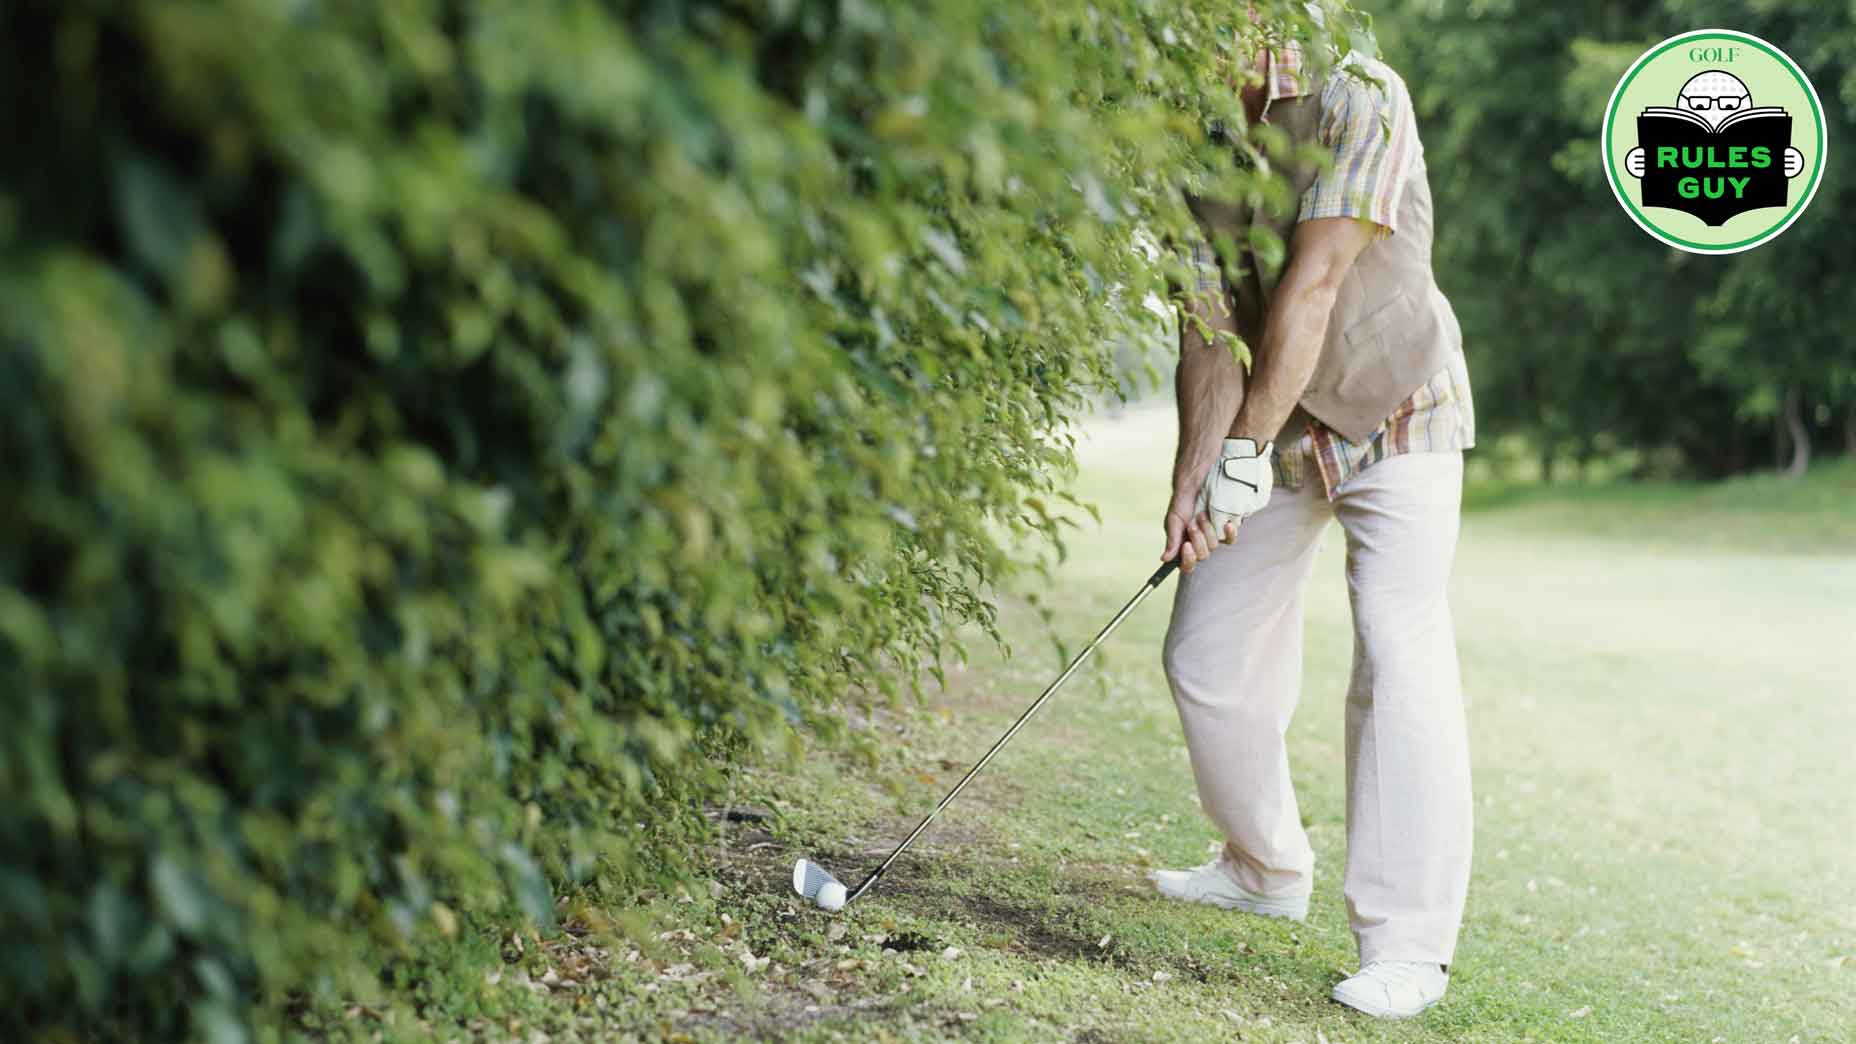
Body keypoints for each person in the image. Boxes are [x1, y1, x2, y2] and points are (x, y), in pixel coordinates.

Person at [1152, 34, 1476, 1020]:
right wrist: (1196, 473)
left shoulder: (1358, 93)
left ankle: (1406, 947)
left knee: (1395, 646)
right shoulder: (1183, 133)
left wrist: (1241, 454)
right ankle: (1262, 866)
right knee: (1204, 658)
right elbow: (1208, 329)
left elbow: (1316, 283)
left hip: (1398, 406)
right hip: (1270, 422)